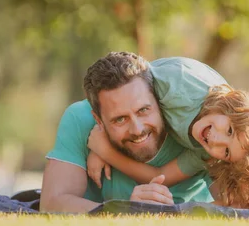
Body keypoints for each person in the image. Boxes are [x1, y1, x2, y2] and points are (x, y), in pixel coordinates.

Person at [87, 56, 249, 211]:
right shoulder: (179, 87)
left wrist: (106, 153)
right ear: (231, 107)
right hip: (125, 83)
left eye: (226, 152)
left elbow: (159, 177)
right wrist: (103, 138)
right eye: (228, 130)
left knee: (240, 202)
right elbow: (128, 85)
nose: (215, 141)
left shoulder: (205, 152)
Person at [39, 52, 213, 213]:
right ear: (99, 121)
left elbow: (236, 205)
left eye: (144, 110)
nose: (137, 129)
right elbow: (52, 203)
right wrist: (126, 210)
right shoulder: (80, 118)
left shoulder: (200, 128)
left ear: (158, 100)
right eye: (120, 119)